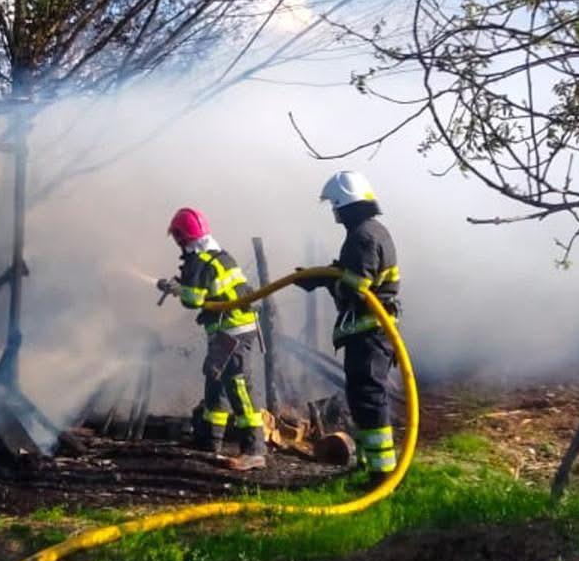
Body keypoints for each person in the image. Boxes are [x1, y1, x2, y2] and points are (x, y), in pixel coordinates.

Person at [294, 171, 401, 485]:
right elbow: (352, 275)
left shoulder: (362, 237)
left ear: (345, 205)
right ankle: (370, 463)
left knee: (369, 398)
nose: (334, 213)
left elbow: (356, 289)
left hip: (369, 332)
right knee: (361, 397)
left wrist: (325, 279)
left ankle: (382, 474)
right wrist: (322, 276)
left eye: (335, 206)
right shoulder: (371, 231)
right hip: (369, 332)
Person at [157, 207, 268, 470]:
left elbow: (192, 299)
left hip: (233, 331)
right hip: (230, 329)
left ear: (183, 237)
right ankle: (211, 439)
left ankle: (254, 450)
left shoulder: (199, 262)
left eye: (177, 238)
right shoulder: (220, 256)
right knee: (215, 380)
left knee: (238, 386)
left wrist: (174, 288)